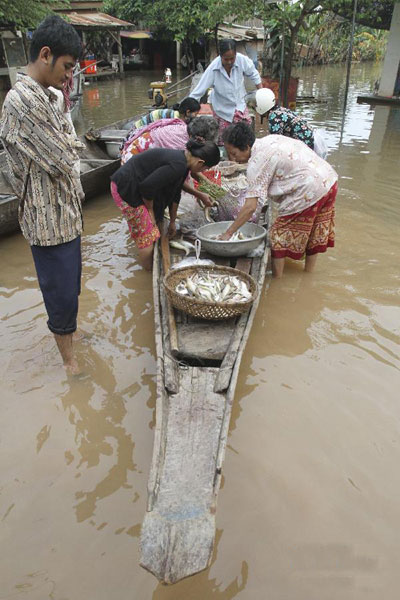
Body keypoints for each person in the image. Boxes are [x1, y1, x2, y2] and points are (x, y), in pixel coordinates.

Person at [0, 16, 84, 374]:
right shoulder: (23, 101)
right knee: (60, 296)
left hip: (66, 215)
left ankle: (70, 341)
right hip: (47, 222)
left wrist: (67, 135)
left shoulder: (48, 96)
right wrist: (68, 139)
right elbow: (65, 157)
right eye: (67, 67)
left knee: (71, 287)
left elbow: (69, 144)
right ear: (45, 55)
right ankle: (69, 364)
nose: (69, 76)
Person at [222, 122, 338, 278]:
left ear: (247, 147)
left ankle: (278, 279)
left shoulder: (256, 162)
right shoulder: (270, 139)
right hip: (329, 180)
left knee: (278, 235)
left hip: (308, 190)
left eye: (234, 154)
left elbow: (250, 207)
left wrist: (228, 233)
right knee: (314, 233)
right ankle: (309, 275)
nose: (233, 158)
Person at [110, 139, 220, 270]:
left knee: (149, 225)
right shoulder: (178, 165)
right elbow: (147, 187)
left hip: (136, 184)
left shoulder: (183, 162)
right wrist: (150, 212)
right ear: (200, 162)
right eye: (206, 168)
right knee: (147, 235)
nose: (203, 171)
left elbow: (176, 191)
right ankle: (148, 272)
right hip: (126, 187)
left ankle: (143, 245)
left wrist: (173, 221)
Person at [120, 116, 219, 208]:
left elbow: (192, 168)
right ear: (201, 139)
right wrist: (199, 194)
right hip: (133, 168)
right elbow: (178, 178)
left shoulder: (187, 135)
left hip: (141, 161)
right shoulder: (180, 146)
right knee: (153, 201)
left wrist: (210, 186)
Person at [190, 39, 263, 144]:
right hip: (222, 110)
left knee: (244, 140)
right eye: (226, 59)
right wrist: (188, 110)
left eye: (232, 59)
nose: (229, 62)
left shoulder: (243, 60)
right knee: (225, 142)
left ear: (236, 55)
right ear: (220, 56)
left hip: (240, 106)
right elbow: (198, 91)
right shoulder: (213, 69)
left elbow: (254, 75)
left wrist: (262, 93)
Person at [255, 88, 328, 158]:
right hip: (312, 139)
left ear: (261, 105)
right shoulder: (279, 110)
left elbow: (275, 143)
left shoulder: (274, 118)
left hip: (308, 144)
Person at [132, 97, 200, 130]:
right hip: (138, 129)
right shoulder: (174, 119)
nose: (196, 116)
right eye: (195, 114)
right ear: (188, 112)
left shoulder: (176, 114)